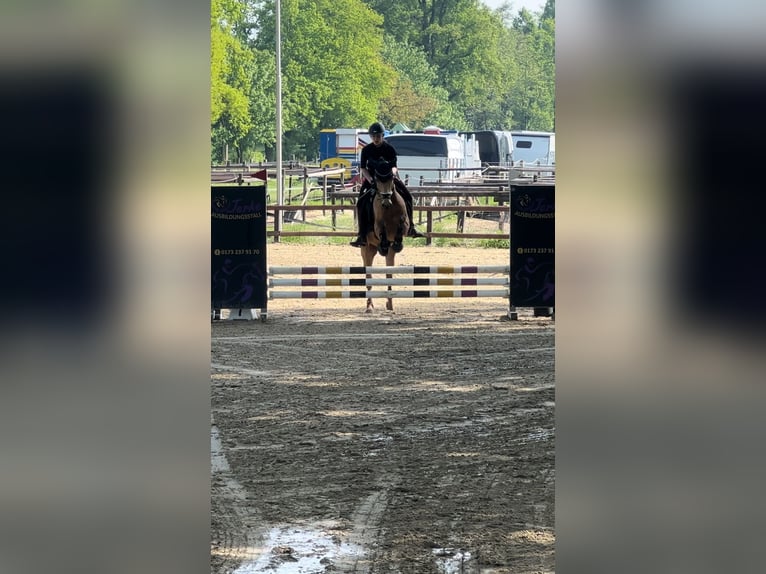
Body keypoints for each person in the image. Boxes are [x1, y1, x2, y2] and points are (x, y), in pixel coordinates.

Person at [350, 122, 425, 247]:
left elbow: (395, 166)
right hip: (373, 179)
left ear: (382, 135)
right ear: (371, 137)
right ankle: (362, 234)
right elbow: (363, 168)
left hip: (389, 178)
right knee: (361, 202)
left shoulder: (389, 149)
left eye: (378, 136)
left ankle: (411, 226)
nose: (376, 139)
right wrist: (370, 180)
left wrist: (393, 174)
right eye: (373, 136)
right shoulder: (367, 150)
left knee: (408, 196)